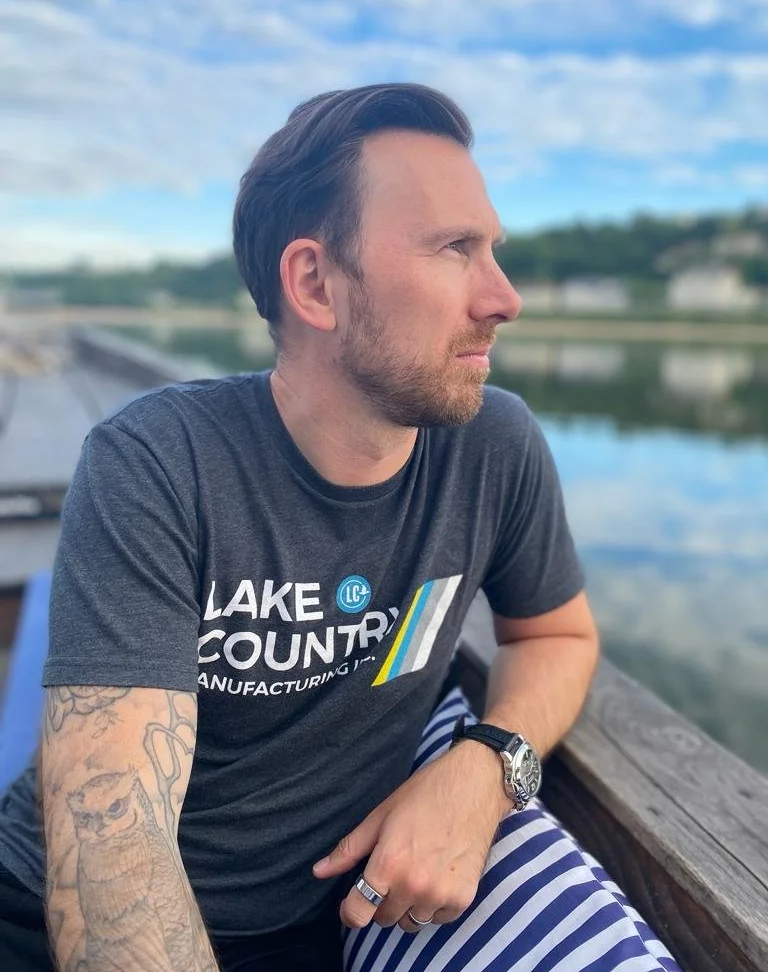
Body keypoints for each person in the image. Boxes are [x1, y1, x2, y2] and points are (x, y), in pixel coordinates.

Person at [0, 84, 681, 972]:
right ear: (315, 284)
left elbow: (555, 632)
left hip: (338, 924)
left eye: (494, 251)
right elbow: (115, 848)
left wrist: (487, 763)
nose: (505, 297)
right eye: (454, 249)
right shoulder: (158, 464)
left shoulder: (493, 447)